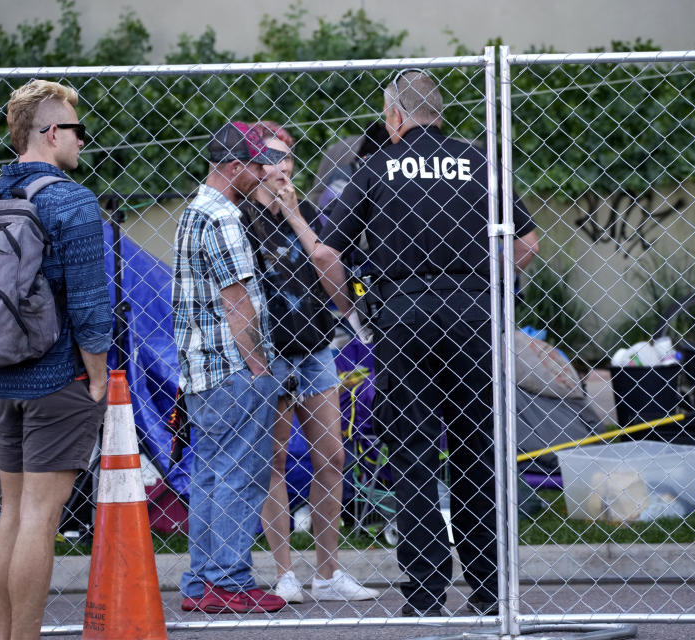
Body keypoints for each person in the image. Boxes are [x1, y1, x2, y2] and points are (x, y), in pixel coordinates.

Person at [314, 69, 539, 616]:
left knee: (413, 453)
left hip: (403, 317)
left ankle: (425, 594)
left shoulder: (374, 167)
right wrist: (494, 285)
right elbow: (528, 238)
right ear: (439, 113)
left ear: (393, 116)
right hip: (473, 314)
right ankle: (488, 593)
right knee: (475, 452)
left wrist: (352, 308)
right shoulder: (481, 162)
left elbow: (325, 254)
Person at [0, 80, 112, 640]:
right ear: (50, 133)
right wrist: (95, 380)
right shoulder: (72, 200)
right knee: (42, 516)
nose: (82, 143)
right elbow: (91, 306)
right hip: (57, 376)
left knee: (14, 513)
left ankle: (7, 637)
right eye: (76, 131)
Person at [249, 122, 380, 603]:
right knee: (276, 460)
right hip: (272, 351)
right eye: (272, 159)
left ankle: (328, 572)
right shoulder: (242, 218)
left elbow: (327, 268)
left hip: (316, 347)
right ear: (253, 165)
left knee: (332, 458)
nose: (283, 168)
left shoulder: (306, 214)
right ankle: (285, 572)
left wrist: (296, 215)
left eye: (288, 159)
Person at [172, 120, 288, 614]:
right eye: (258, 164)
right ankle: (229, 581)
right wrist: (260, 367)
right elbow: (238, 300)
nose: (265, 171)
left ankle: (202, 581)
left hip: (202, 369)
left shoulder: (195, 211)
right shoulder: (223, 217)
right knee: (242, 475)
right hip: (233, 367)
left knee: (211, 476)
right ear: (235, 166)